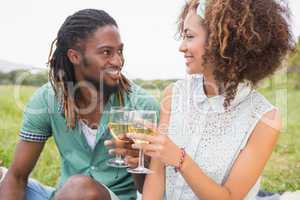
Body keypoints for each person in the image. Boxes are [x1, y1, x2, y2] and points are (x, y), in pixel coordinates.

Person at [127, 0, 294, 199]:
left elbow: (229, 197)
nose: (181, 47)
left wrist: (180, 159)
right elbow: (156, 178)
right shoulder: (173, 95)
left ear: (222, 41)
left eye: (189, 36)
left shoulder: (264, 119)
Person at [0, 9, 159, 200]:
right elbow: (17, 176)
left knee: (79, 188)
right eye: (106, 52)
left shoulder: (141, 106)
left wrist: (137, 163)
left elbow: (151, 191)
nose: (118, 61)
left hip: (111, 197)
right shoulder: (47, 99)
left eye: (120, 51)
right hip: (64, 195)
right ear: (74, 56)